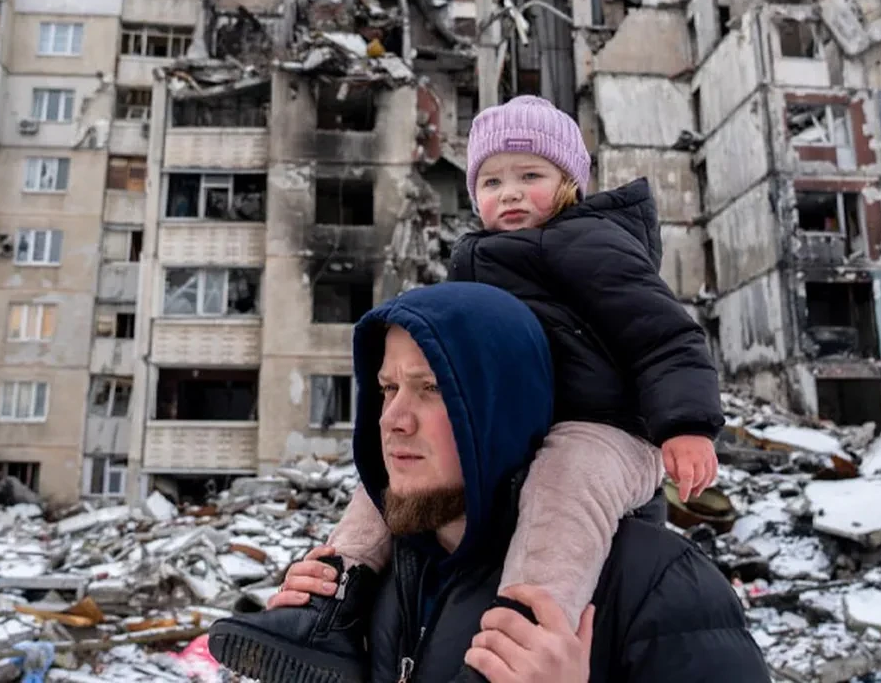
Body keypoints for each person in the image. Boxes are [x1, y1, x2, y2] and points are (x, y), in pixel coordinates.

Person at [208, 96, 726, 682]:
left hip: (608, 433)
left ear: (570, 185)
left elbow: (665, 337)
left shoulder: (592, 243)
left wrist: (685, 424)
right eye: (492, 181)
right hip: (520, 426)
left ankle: (521, 635)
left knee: (565, 477)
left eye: (531, 176)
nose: (510, 194)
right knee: (391, 476)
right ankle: (333, 606)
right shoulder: (478, 258)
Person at [209, 282, 769, 682]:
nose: (393, 419)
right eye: (387, 389)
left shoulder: (659, 583)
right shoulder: (384, 579)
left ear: (503, 410)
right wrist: (325, 644)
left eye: (431, 389)